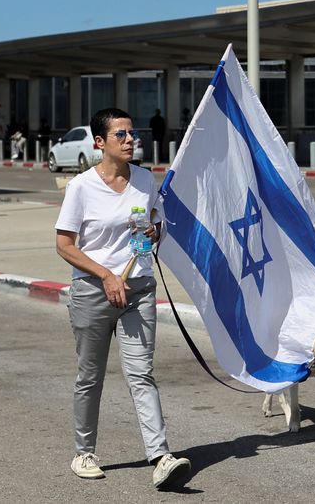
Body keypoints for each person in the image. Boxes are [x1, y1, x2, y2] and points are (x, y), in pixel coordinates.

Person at [54, 107, 191, 488]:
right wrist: (105, 275)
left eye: (132, 133)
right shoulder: (81, 187)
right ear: (100, 143)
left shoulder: (146, 180)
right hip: (93, 292)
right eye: (122, 135)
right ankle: (84, 452)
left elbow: (156, 224)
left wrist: (154, 233)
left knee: (141, 374)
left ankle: (161, 456)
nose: (131, 140)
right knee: (90, 375)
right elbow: (64, 245)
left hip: (139, 288)